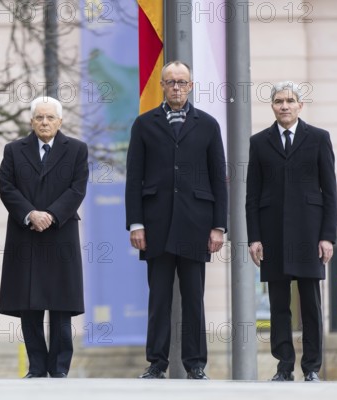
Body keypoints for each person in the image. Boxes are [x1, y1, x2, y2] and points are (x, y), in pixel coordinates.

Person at [125, 61, 228, 380]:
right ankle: (157, 362)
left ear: (191, 86)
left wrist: (218, 226)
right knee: (158, 298)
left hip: (196, 225)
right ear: (162, 85)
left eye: (182, 82)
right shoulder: (143, 124)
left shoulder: (208, 125)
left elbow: (217, 178)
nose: (176, 87)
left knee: (194, 298)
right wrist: (136, 223)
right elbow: (134, 178)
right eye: (170, 82)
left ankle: (195, 363)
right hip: (155, 224)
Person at [246, 81, 337, 382]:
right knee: (278, 305)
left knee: (310, 305)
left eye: (290, 100)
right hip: (272, 233)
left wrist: (327, 236)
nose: (284, 106)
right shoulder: (259, 142)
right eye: (278, 101)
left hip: (310, 233)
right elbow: (252, 195)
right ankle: (284, 366)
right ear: (271, 106)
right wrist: (254, 237)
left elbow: (330, 192)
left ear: (300, 105)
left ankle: (311, 367)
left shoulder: (319, 138)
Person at [0, 96, 88, 378]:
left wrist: (50, 214)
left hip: (60, 235)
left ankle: (59, 368)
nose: (45, 122)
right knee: (30, 307)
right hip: (26, 235)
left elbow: (77, 188)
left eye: (50, 118)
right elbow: (6, 187)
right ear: (31, 121)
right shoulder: (14, 150)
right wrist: (30, 214)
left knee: (61, 308)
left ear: (60, 121)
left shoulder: (76, 149)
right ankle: (36, 367)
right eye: (39, 117)